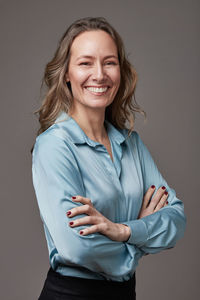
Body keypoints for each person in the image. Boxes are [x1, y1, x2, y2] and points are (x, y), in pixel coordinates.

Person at [31, 17, 186, 300]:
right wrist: (138, 240)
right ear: (66, 73)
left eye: (110, 62)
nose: (99, 74)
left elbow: (176, 220)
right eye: (86, 63)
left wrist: (122, 230)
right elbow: (76, 247)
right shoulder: (54, 146)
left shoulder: (132, 144)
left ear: (120, 71)